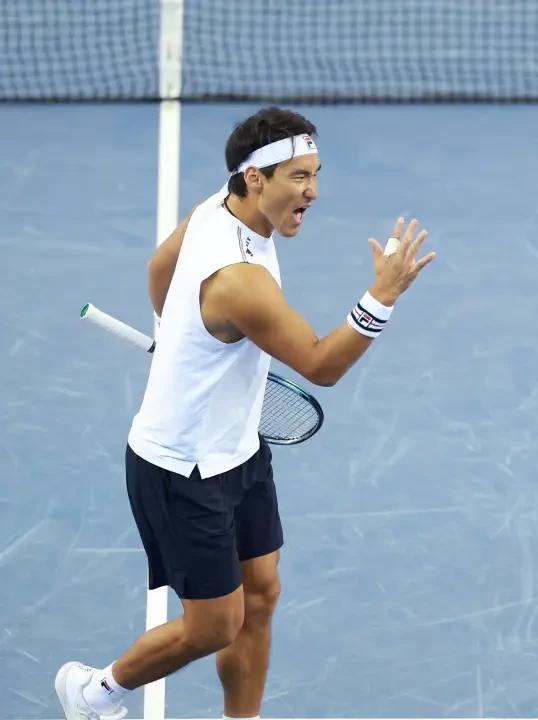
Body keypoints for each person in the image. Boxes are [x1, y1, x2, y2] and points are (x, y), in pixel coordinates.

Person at [55, 106, 436, 720]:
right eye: (299, 177)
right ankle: (94, 692)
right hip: (182, 469)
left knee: (260, 597)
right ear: (256, 178)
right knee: (214, 625)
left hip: (239, 449)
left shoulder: (220, 203)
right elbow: (321, 365)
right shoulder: (240, 282)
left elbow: (159, 269)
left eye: (316, 174)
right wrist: (383, 295)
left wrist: (180, 335)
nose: (313, 192)